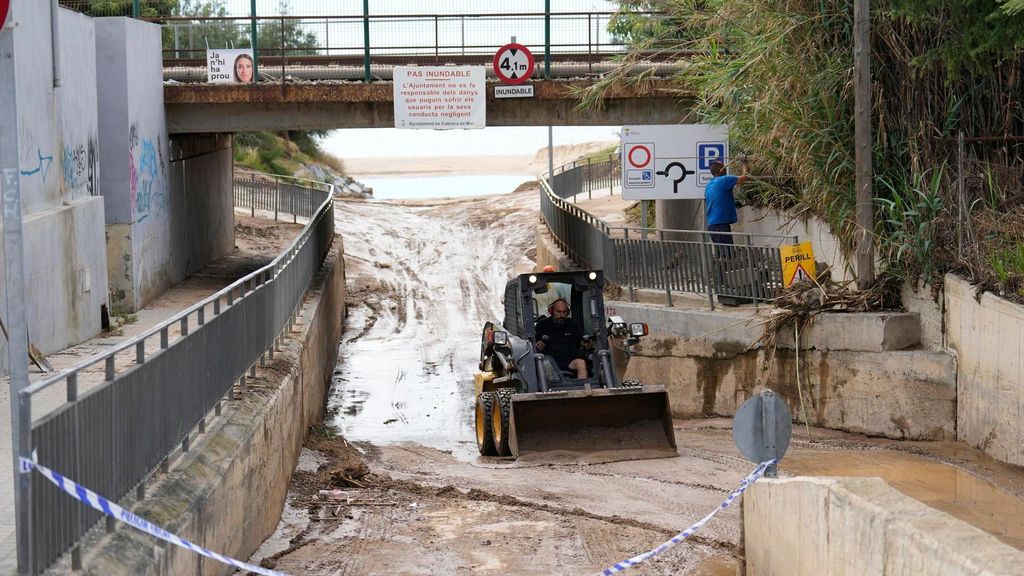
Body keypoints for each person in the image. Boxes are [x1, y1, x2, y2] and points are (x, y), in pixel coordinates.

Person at [534, 298, 589, 379]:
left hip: (569, 360)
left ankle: (583, 389)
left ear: (568, 312)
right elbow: (534, 344)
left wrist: (587, 344)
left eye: (564, 312)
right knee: (545, 364)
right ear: (551, 311)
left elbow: (581, 341)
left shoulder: (572, 324)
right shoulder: (542, 325)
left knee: (581, 363)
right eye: (558, 312)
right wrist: (538, 345)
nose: (561, 315)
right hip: (549, 360)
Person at [704, 159, 749, 244]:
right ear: (721, 169)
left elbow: (716, 199)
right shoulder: (725, 179)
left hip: (712, 225)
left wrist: (732, 203)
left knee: (723, 254)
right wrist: (744, 162)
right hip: (720, 225)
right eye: (724, 166)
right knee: (728, 254)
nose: (725, 168)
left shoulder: (709, 185)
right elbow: (745, 177)